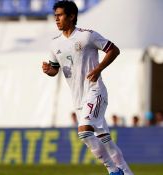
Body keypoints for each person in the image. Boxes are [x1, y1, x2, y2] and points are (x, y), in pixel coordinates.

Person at [42, 1, 133, 175]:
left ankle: (114, 171)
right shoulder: (54, 44)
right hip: (78, 99)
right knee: (105, 139)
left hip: (95, 91)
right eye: (55, 16)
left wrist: (98, 69)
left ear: (71, 16)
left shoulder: (87, 36)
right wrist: (49, 70)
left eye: (60, 15)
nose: (57, 19)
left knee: (84, 133)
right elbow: (55, 70)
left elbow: (113, 50)